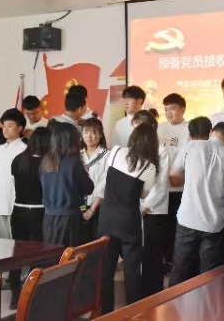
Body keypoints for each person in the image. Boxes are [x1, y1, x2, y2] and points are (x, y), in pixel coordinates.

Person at [99, 124, 160, 314]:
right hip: (128, 220)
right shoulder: (149, 167)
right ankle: (132, 313)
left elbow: (107, 177)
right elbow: (143, 195)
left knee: (105, 269)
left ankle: (104, 313)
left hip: (106, 217)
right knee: (132, 269)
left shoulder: (116, 151)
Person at [168, 118, 224, 286]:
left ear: (211, 132)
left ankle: (175, 302)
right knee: (209, 273)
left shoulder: (191, 146)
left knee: (180, 269)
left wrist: (191, 179)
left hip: (188, 218)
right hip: (215, 222)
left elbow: (173, 177)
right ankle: (207, 301)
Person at [130, 111, 170, 298]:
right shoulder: (133, 150)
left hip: (154, 211)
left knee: (153, 256)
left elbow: (160, 187)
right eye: (134, 128)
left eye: (140, 127)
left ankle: (153, 297)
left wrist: (145, 207)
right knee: (139, 254)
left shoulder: (161, 151)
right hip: (136, 209)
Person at [9, 127, 49, 309]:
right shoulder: (46, 163)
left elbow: (15, 183)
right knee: (36, 255)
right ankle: (31, 296)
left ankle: (14, 297)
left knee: (16, 255)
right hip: (38, 212)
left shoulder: (18, 159)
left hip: (18, 211)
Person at [40, 121, 94, 246]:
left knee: (52, 253)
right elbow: (89, 188)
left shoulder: (46, 161)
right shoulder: (74, 162)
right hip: (69, 218)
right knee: (69, 254)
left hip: (48, 217)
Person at [157, 93, 190, 270]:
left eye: (173, 109)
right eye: (166, 109)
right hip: (162, 189)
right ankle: (167, 261)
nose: (169, 113)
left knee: (180, 228)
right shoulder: (159, 128)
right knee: (165, 229)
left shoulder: (190, 129)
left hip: (182, 188)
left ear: (182, 109)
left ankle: (179, 263)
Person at [0, 108, 27, 240]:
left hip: (12, 204)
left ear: (20, 128)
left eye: (10, 126)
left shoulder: (24, 149)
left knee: (13, 243)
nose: (5, 129)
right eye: (4, 126)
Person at [80, 118, 109, 241]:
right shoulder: (77, 155)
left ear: (100, 134)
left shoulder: (107, 155)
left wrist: (92, 210)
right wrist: (83, 210)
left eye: (93, 132)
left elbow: (105, 183)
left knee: (96, 243)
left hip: (99, 207)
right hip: (79, 208)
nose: (89, 136)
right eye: (86, 132)